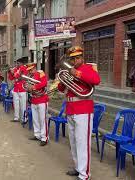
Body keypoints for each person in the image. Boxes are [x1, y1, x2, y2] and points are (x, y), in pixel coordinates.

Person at [57, 46, 100, 180]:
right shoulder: (68, 70)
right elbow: (60, 88)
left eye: (77, 58)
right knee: (74, 142)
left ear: (82, 57)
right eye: (72, 59)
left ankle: (84, 174)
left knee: (83, 143)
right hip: (71, 109)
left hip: (83, 109)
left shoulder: (88, 68)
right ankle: (77, 168)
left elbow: (96, 80)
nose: (75, 60)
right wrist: (63, 78)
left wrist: (76, 73)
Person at [25, 63, 49, 146]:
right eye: (29, 70)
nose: (30, 72)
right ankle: (37, 134)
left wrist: (33, 87)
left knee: (42, 119)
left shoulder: (40, 73)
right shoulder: (30, 77)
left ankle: (44, 138)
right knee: (35, 119)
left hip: (42, 99)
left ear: (35, 68)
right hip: (34, 99)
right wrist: (28, 88)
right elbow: (27, 86)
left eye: (31, 70)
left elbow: (44, 83)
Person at [8, 57, 28, 123]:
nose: (17, 64)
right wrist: (10, 72)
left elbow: (22, 77)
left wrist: (16, 76)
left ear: (22, 63)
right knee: (16, 104)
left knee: (23, 105)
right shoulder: (16, 69)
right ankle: (16, 117)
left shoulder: (24, 68)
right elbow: (11, 78)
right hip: (16, 89)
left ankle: (24, 118)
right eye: (16, 63)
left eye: (18, 63)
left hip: (22, 89)